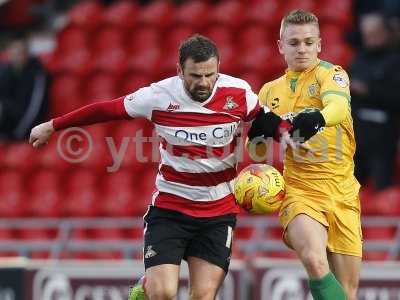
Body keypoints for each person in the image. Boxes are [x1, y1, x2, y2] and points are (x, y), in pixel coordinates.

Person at [29, 35, 295, 300]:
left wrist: (286, 134)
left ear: (218, 67)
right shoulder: (158, 96)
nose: (203, 83)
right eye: (195, 75)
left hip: (218, 213)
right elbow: (105, 110)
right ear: (179, 70)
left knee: (204, 296)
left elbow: (266, 119)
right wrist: (53, 125)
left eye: (209, 75)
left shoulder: (237, 93)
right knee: (163, 293)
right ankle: (146, 286)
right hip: (171, 209)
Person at [247, 10, 362, 300]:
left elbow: (337, 108)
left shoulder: (332, 74)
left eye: (309, 42)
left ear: (320, 45)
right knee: (313, 259)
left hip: (343, 192)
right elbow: (256, 153)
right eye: (294, 42)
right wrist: (259, 134)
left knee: (346, 292)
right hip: (300, 190)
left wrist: (317, 119)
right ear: (280, 46)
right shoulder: (269, 91)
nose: (302, 49)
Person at [350, 12, 400, 191]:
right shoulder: (359, 60)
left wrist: (368, 91)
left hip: (384, 135)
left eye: (374, 33)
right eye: (367, 34)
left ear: (386, 32)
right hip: (357, 134)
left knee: (382, 187)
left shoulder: (395, 61)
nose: (370, 38)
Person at [0, 37, 49, 140]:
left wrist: (17, 135)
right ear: (8, 53)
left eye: (21, 53)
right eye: (14, 53)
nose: (17, 57)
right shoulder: (4, 71)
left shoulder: (37, 74)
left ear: (27, 54)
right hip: (7, 129)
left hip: (27, 131)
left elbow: (33, 110)